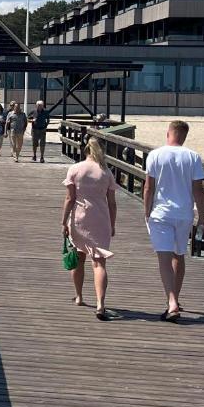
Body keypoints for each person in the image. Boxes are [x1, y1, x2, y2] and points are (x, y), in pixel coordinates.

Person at [143, 120, 204, 322]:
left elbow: (148, 187)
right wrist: (203, 217)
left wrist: (147, 211)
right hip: (184, 214)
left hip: (161, 213)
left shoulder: (155, 155)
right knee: (179, 255)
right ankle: (175, 300)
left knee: (164, 258)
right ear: (184, 136)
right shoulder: (193, 156)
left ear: (168, 133)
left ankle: (171, 303)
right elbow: (198, 190)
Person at [62, 137, 119, 320]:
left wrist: (64, 221)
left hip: (80, 218)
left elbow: (70, 199)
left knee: (78, 258)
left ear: (85, 151)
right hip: (101, 219)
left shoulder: (75, 169)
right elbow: (112, 203)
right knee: (99, 262)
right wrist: (113, 223)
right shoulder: (106, 172)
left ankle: (79, 297)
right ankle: (100, 304)